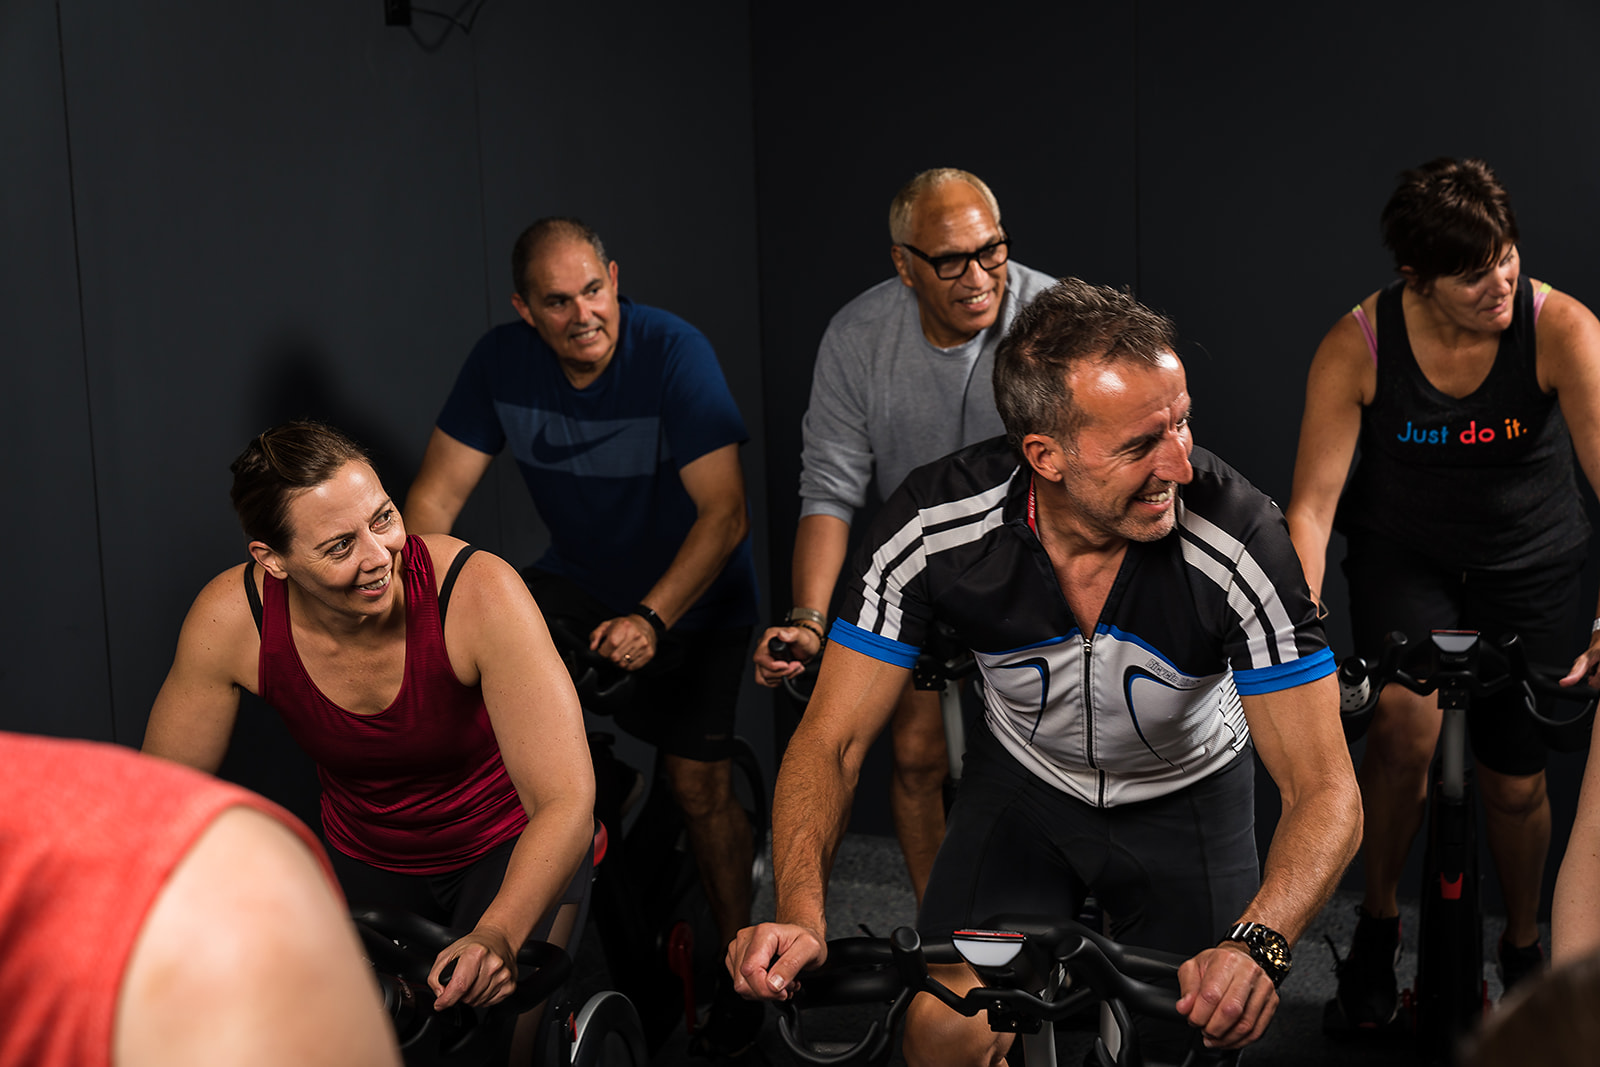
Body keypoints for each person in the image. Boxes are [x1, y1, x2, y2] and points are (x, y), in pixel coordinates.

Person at [729, 278, 1362, 1064]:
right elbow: (831, 742)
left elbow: (1326, 788)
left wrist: (1259, 944)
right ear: (1045, 455)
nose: (1181, 464)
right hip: (1026, 792)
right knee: (941, 1029)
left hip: (1189, 796)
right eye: (1140, 445)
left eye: (1182, 423)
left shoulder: (1240, 537)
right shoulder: (932, 525)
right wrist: (800, 910)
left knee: (1193, 1036)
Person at [404, 217, 763, 1055]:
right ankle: (604, 790)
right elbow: (428, 509)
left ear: (613, 277)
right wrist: (425, 613)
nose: (582, 315)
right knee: (499, 719)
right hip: (579, 581)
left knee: (698, 785)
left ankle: (747, 971)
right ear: (525, 309)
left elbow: (726, 514)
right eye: (557, 302)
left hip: (694, 596)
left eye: (593, 291)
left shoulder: (673, 352)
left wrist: (651, 618)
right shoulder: (500, 361)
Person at [143, 420, 595, 1064]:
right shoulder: (233, 619)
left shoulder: (476, 590)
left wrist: (496, 932)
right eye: (337, 546)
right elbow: (157, 805)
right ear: (272, 559)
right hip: (369, 855)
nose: (380, 554)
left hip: (509, 846)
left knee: (489, 1053)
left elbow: (564, 800)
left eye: (383, 518)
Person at [1285, 157, 1600, 1026]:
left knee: (1513, 781)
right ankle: (1380, 930)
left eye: (1505, 257)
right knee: (1399, 736)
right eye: (1472, 275)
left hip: (1531, 562)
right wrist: (1297, 633)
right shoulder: (1361, 342)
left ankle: (1524, 947)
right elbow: (1310, 508)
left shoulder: (1560, 328)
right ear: (1415, 278)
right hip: (1406, 558)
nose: (1499, 283)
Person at [752, 168, 1056, 903]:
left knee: (1048, 764)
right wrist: (808, 621)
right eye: (952, 260)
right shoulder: (858, 338)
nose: (980, 276)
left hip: (1039, 555)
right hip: (920, 562)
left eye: (993, 250)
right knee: (915, 757)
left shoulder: (1049, 316)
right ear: (904, 265)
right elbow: (829, 490)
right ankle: (937, 937)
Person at [0, 730, 401, 1067]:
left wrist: (470, 934)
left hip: (460, 850)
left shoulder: (236, 899)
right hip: (359, 848)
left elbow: (160, 827)